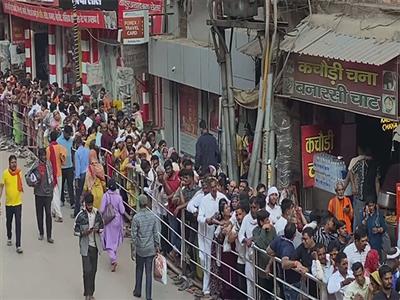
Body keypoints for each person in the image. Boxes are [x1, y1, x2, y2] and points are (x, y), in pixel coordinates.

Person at [74, 193, 104, 300]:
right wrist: (83, 233)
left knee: (93, 270)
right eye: (88, 205)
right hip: (85, 247)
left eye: (91, 205)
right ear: (85, 204)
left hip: (95, 246)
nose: (90, 207)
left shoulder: (97, 213)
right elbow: (75, 231)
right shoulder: (80, 215)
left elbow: (102, 227)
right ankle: (87, 293)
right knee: (87, 271)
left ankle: (91, 293)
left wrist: (98, 230)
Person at [131, 194, 160, 300]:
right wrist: (157, 245)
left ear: (139, 203)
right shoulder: (152, 216)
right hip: (150, 248)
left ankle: (137, 291)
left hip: (140, 248)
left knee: (139, 269)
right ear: (147, 203)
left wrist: (133, 250)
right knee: (148, 273)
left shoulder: (136, 217)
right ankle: (148, 296)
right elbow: (155, 233)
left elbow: (133, 235)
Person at [267, 222, 307, 300]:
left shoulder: (279, 239)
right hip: (290, 282)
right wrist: (295, 263)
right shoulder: (288, 247)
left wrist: (277, 253)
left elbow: (268, 250)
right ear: (294, 235)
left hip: (281, 276)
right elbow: (284, 264)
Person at [27, 148, 54, 243]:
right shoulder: (35, 165)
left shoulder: (49, 164)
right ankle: (41, 233)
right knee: (39, 214)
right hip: (38, 193)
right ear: (39, 156)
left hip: (48, 193)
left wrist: (52, 190)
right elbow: (27, 175)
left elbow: (52, 176)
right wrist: (32, 183)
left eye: (45, 155)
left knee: (48, 214)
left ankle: (49, 235)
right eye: (42, 155)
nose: (44, 157)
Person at [99, 179, 125, 272]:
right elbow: (122, 211)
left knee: (108, 240)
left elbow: (101, 209)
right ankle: (113, 256)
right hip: (117, 221)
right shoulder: (119, 197)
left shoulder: (106, 196)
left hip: (109, 221)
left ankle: (113, 259)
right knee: (114, 240)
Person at [0, 155, 24, 253]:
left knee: (18, 223)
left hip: (18, 203)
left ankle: (18, 245)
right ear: (9, 163)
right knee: (8, 222)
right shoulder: (5, 173)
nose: (14, 164)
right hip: (9, 204)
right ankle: (9, 236)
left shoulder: (19, 173)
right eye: (12, 162)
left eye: (15, 162)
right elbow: (1, 187)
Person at [238, 196, 261, 299]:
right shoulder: (246, 218)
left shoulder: (263, 217)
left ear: (258, 207)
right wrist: (246, 240)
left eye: (255, 207)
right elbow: (240, 235)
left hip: (260, 257)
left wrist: (252, 238)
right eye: (251, 207)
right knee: (249, 282)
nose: (253, 210)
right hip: (249, 255)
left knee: (260, 285)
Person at [253, 209, 276, 300]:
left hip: (272, 265)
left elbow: (274, 246)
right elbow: (259, 244)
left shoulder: (272, 229)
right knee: (263, 293)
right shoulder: (255, 231)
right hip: (261, 268)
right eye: (266, 220)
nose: (269, 221)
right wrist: (263, 230)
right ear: (261, 222)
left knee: (272, 292)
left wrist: (269, 265)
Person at [46, 130, 66, 222]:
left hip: (51, 173)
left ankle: (59, 215)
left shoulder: (48, 149)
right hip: (59, 173)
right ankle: (54, 211)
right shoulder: (60, 147)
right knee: (58, 192)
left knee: (54, 194)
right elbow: (64, 159)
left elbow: (46, 162)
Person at [57, 125, 75, 208]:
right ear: (64, 133)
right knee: (61, 184)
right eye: (67, 134)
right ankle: (61, 200)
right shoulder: (59, 141)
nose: (68, 136)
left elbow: (73, 152)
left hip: (70, 166)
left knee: (70, 184)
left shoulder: (71, 140)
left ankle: (72, 202)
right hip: (62, 167)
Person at [73, 134, 90, 218]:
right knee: (86, 194)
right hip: (88, 174)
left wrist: (76, 178)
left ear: (76, 143)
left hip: (81, 175)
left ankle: (76, 212)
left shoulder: (77, 153)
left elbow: (78, 167)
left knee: (78, 195)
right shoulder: (87, 151)